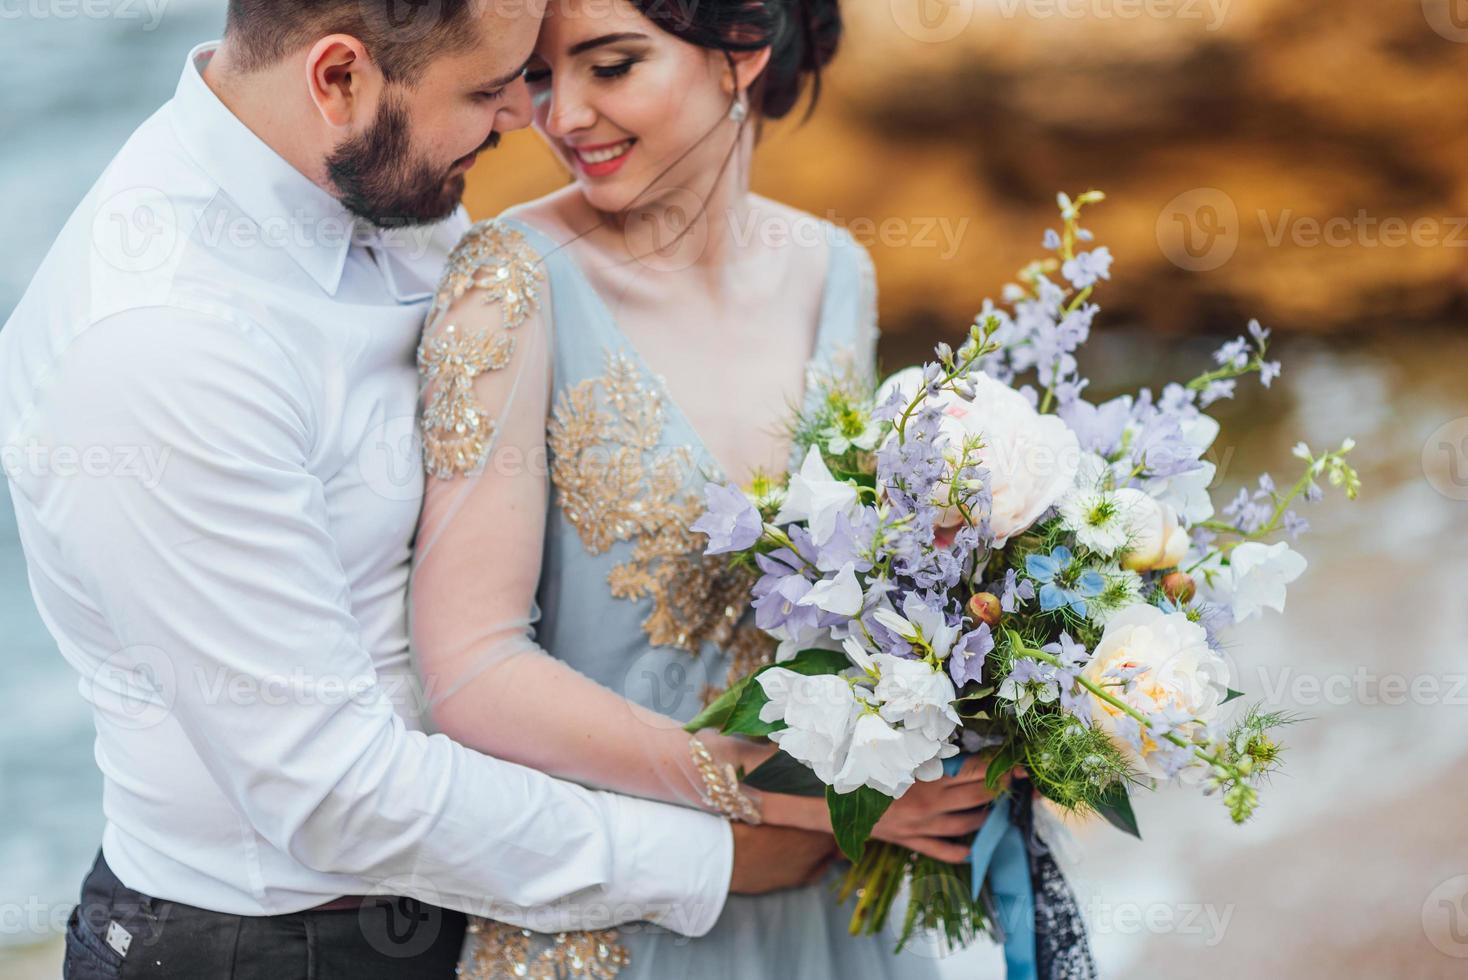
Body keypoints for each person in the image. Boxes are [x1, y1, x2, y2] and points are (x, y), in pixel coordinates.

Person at [0, 2, 835, 977]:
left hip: (474, 914)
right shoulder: (161, 342)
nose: (525, 118)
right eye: (488, 89)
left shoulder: (385, 185)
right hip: (263, 947)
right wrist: (714, 852)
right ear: (339, 78)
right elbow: (331, 791)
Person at [410, 0, 1008, 975]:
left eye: (610, 67)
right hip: (614, 925)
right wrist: (796, 788)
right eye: (541, 77)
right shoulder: (507, 286)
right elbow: (470, 671)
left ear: (741, 49)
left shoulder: (833, 272)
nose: (562, 117)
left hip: (835, 915)